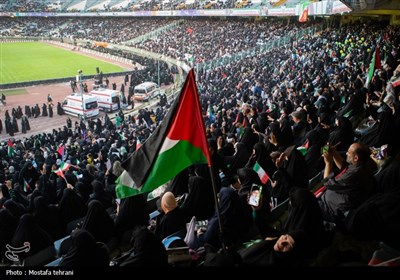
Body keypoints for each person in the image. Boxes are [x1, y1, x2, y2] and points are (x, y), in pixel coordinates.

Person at [319, 142, 377, 223]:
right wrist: (334, 153)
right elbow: (345, 168)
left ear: (356, 158)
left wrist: (328, 163)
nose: (346, 153)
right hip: (336, 200)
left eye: (349, 152)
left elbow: (327, 182)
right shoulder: (364, 164)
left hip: (332, 210)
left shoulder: (355, 173)